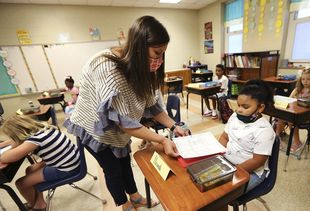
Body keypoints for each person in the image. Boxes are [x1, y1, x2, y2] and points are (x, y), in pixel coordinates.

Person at [64, 16, 188, 211]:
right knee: (112, 170)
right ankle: (125, 205)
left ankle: (136, 197)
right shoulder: (107, 68)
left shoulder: (144, 66)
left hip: (119, 129)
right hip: (95, 128)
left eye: (163, 53)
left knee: (124, 161)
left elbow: (154, 106)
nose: (160, 60)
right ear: (139, 46)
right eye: (157, 52)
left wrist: (174, 125)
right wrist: (162, 139)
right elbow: (124, 123)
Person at [0, 115, 80, 211]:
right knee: (30, 169)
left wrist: (13, 145)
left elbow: (5, 158)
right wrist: (6, 143)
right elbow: (15, 141)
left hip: (68, 168)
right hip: (72, 158)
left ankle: (36, 207)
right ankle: (39, 203)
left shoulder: (34, 140)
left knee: (21, 184)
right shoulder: (42, 127)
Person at [218, 80, 275, 193]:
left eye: (245, 107)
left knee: (220, 194)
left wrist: (232, 171)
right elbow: (224, 137)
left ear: (260, 108)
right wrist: (218, 157)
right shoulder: (235, 116)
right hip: (228, 164)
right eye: (238, 105)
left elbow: (257, 161)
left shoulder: (264, 130)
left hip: (249, 171)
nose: (239, 109)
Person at [275, 68, 310, 152]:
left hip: (308, 116)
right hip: (296, 113)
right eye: (303, 79)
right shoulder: (298, 89)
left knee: (291, 120)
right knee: (281, 117)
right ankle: (276, 137)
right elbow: (289, 100)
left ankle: (297, 142)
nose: (305, 81)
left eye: (309, 79)